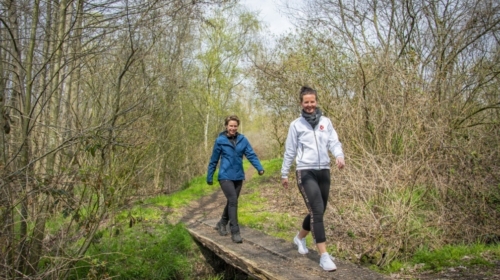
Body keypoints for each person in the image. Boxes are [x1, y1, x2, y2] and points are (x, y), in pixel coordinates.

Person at [281, 86, 345, 272]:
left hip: (324, 170)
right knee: (317, 210)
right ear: (301, 103)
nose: (310, 105)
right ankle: (323, 255)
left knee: (319, 210)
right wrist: (284, 173)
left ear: (316, 102)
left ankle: (300, 237)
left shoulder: (326, 122)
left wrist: (339, 155)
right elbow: (290, 150)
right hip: (305, 171)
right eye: (306, 102)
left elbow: (334, 141)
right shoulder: (296, 125)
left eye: (312, 101)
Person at [207, 115, 265, 243]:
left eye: (235, 126)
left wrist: (259, 168)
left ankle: (222, 223)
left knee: (231, 201)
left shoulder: (243, 140)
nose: (233, 128)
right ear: (226, 126)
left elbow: (251, 154)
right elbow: (214, 160)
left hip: (238, 176)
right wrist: (209, 176)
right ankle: (235, 231)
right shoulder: (220, 140)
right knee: (233, 200)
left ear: (237, 126)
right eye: (231, 126)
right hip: (225, 176)